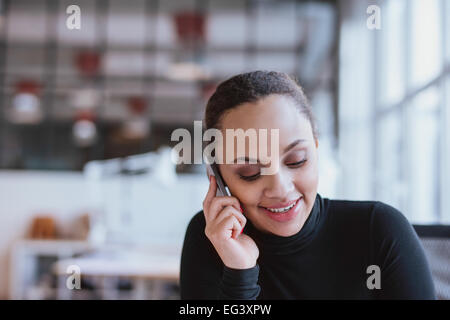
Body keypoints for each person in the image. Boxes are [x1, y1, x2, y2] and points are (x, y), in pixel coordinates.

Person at [179, 70, 436, 299]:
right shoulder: (209, 240)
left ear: (315, 148)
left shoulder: (378, 230)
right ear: (218, 176)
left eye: (296, 160)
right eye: (250, 172)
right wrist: (240, 275)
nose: (280, 189)